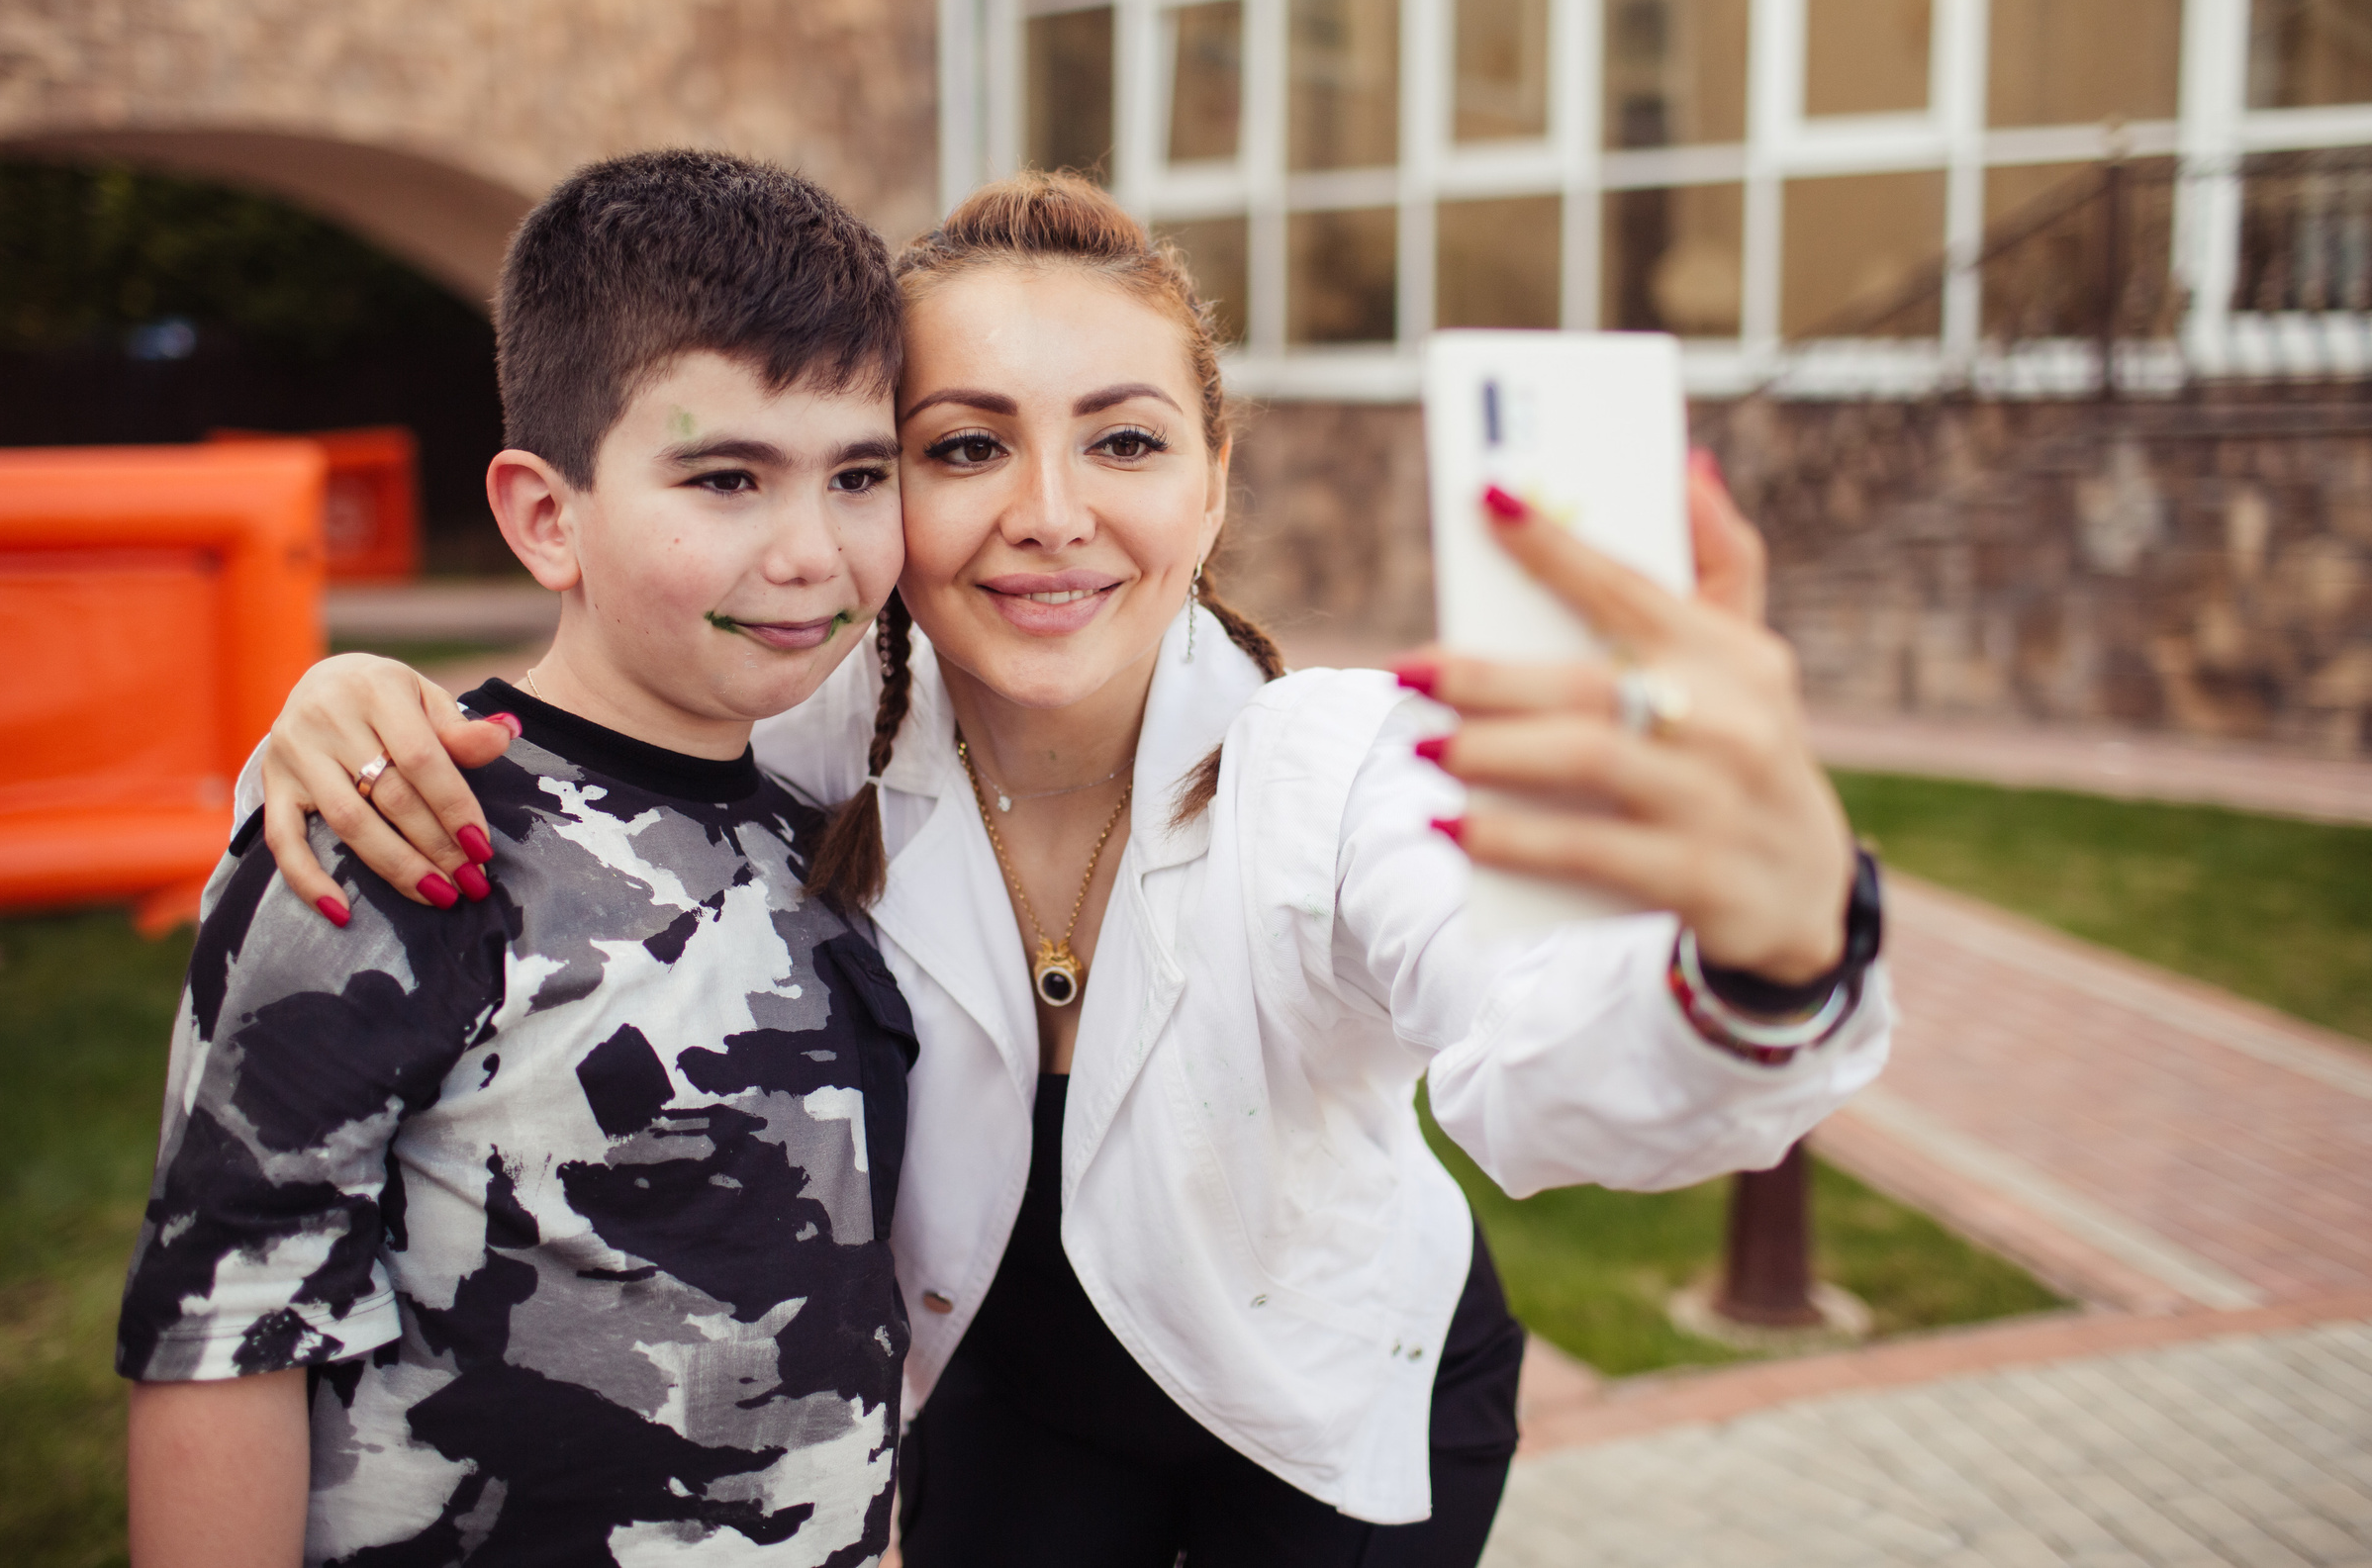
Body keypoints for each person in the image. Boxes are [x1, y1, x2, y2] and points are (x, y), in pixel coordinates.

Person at [246, 171, 1892, 1567]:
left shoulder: (1339, 771)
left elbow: (1546, 1063)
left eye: (1123, 443)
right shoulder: (814, 745)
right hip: (995, 1404)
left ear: (1212, 480)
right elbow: (590, 715)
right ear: (885, 490)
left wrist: (1766, 953)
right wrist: (350, 707)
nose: (1048, 514)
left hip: (1330, 1404)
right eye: (966, 448)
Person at [115, 151, 926, 1567]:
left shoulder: (825, 830)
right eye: (726, 476)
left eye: (860, 474)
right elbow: (225, 1339)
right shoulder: (403, 835)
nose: (812, 549)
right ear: (548, 515)